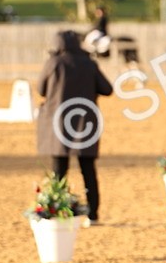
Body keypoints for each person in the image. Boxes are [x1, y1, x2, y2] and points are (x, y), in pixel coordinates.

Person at [36, 31, 113, 224]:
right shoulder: (89, 63)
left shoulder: (53, 63)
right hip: (83, 124)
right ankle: (93, 214)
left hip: (59, 124)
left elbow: (40, 89)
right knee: (88, 171)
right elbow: (107, 89)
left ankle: (56, 212)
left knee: (59, 172)